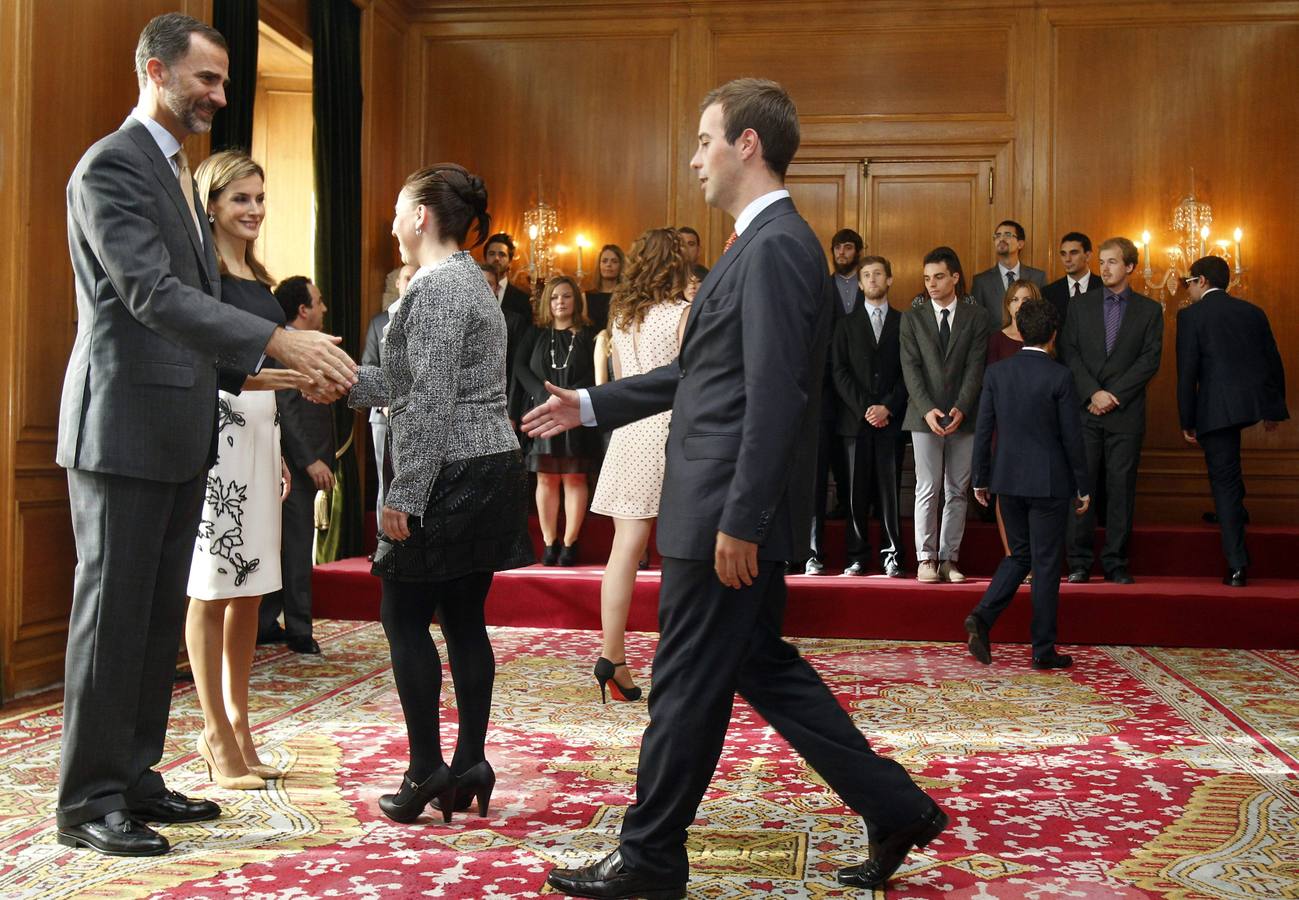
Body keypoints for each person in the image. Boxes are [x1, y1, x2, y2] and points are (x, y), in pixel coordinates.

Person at [530, 77, 943, 900]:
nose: (694, 159)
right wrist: (591, 402)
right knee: (762, 667)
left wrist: (742, 519)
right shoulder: (758, 244)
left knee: (684, 683)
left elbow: (777, 394)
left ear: (746, 144)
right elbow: (703, 373)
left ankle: (649, 858)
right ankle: (896, 808)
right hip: (719, 503)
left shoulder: (777, 247)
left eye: (703, 140)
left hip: (722, 511)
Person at [55, 13, 355, 857]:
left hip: (179, 427)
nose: (220, 96)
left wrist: (288, 374)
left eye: (224, 81)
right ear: (156, 71)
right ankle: (87, 801)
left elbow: (191, 321)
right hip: (120, 428)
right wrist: (277, 340)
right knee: (113, 620)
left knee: (155, 620)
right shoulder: (112, 164)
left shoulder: (176, 173)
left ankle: (134, 776)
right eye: (207, 80)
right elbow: (150, 295)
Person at [347, 164, 532, 825]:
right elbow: (410, 382)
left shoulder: (438, 287)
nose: (393, 222)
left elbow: (427, 401)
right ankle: (470, 762)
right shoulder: (464, 281)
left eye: (399, 209)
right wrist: (340, 380)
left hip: (451, 470)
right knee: (461, 618)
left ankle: (426, 769)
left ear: (421, 215)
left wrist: (405, 492)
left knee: (402, 616)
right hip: (484, 464)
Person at [184, 150, 303, 794]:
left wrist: (278, 446)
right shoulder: (201, 275)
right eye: (240, 199)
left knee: (251, 588)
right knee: (211, 586)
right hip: (217, 430)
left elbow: (268, 370)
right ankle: (213, 731)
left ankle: (240, 723)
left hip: (260, 432)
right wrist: (286, 378)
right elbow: (209, 364)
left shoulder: (258, 277)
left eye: (259, 198)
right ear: (210, 205)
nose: (255, 209)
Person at [588, 228, 691, 703]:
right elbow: (689, 380)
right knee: (680, 553)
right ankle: (682, 659)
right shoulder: (681, 314)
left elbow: (622, 379)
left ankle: (612, 655)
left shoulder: (621, 314)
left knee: (624, 551)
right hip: (667, 432)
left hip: (628, 431)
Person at [964, 298, 1091, 670]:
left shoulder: (997, 374)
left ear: (1019, 332)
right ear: (1054, 335)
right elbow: (1072, 438)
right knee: (1046, 563)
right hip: (1049, 484)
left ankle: (982, 617)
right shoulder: (1060, 376)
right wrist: (1082, 485)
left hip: (1006, 479)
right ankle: (1042, 649)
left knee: (1019, 555)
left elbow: (983, 430)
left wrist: (980, 478)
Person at [1177, 256, 1288, 587]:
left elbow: (1187, 373)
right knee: (1230, 475)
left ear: (1201, 281)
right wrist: (1272, 409)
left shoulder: (1191, 316)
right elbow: (1273, 361)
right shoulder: (1253, 312)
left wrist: (1187, 419)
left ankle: (1238, 565)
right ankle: (1236, 512)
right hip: (1250, 405)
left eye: (1188, 282)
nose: (1187, 289)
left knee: (1223, 481)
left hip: (1215, 410)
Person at [1059, 237, 1163, 585]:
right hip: (1086, 411)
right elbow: (1070, 353)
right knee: (1082, 487)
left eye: (1112, 262)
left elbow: (1149, 360)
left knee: (1121, 490)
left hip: (1125, 413)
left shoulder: (1149, 310)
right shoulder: (1079, 306)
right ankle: (1078, 562)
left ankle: (1116, 562)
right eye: (1101, 262)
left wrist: (1113, 395)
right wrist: (1093, 392)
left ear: (1130, 266)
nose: (1104, 268)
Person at [899, 247, 990, 584]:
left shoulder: (976, 316)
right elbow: (910, 369)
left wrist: (961, 407)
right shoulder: (912, 317)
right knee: (927, 487)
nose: (932, 284)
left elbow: (976, 367)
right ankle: (926, 559)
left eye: (938, 277)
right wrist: (927, 410)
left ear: (955, 277)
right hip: (923, 415)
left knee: (956, 489)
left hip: (963, 414)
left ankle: (949, 559)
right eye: (927, 278)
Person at [260, 277, 337, 655]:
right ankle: (299, 630)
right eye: (318, 301)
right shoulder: (284, 349)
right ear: (303, 309)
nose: (324, 308)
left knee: (285, 545)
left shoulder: (305, 344)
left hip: (299, 461)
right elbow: (287, 410)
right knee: (295, 546)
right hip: (292, 463)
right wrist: (310, 460)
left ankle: (266, 622)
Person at [515, 276, 601, 565]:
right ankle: (549, 542)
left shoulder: (588, 335)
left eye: (566, 296)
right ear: (546, 302)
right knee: (546, 477)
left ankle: (570, 543)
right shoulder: (536, 333)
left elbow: (595, 373)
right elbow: (520, 367)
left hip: (576, 413)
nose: (560, 302)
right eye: (554, 297)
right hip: (542, 412)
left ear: (576, 300)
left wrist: (570, 397)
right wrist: (542, 394)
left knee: (575, 477)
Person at [831, 255, 907, 577]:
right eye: (866, 275)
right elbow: (839, 371)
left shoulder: (904, 322)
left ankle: (893, 555)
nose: (872, 279)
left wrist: (887, 407)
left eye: (878, 274)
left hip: (892, 421)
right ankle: (857, 556)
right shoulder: (845, 325)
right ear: (860, 284)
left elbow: (909, 371)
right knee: (855, 494)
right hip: (855, 422)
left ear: (889, 280)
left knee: (890, 494)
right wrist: (866, 408)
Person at [986, 279, 1041, 566]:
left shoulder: (1044, 338)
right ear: (1007, 306)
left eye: (1026, 299)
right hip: (1004, 428)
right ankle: (1014, 557)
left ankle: (1033, 556)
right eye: (1015, 300)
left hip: (1039, 430)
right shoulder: (996, 340)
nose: (1020, 305)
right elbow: (990, 387)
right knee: (1006, 492)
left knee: (1034, 492)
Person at [362, 264, 417, 519]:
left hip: (420, 415)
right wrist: (385, 405)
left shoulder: (431, 320)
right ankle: (384, 537)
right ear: (398, 283)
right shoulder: (378, 322)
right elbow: (369, 365)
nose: (411, 282)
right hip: (384, 416)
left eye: (416, 277)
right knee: (386, 481)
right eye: (407, 278)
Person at [971, 220, 1046, 326]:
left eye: (1007, 235)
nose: (1001, 239)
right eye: (997, 236)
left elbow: (1043, 316)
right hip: (994, 336)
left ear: (1020, 244)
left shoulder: (1038, 277)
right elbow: (977, 321)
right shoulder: (981, 281)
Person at [1041, 231, 1099, 325]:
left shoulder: (1104, 288)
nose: (1067, 259)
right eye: (1063, 254)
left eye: (1073, 253)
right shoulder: (1048, 292)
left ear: (1088, 256)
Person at [584, 243, 624, 331]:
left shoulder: (627, 295)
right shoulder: (586, 296)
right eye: (604, 261)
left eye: (614, 261)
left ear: (621, 265)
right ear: (599, 265)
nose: (608, 265)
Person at [830, 228, 864, 316]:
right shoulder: (824, 285)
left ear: (859, 252)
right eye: (837, 247)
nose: (841, 252)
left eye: (848, 248)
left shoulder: (868, 284)